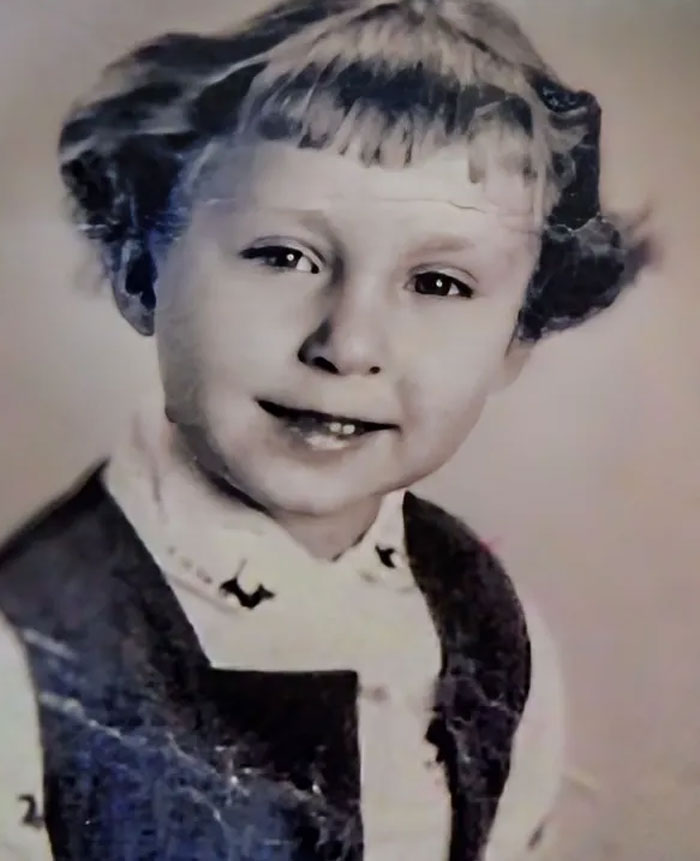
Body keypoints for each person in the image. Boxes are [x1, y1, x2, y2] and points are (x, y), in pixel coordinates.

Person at [0, 0, 646, 858]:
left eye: (439, 283)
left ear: (517, 340)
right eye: (283, 256)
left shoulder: (491, 626)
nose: (348, 345)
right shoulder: (31, 650)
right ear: (140, 269)